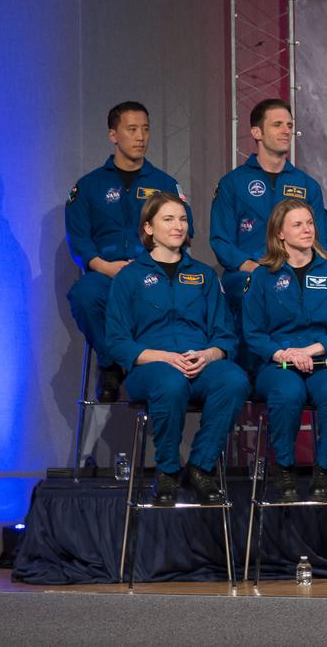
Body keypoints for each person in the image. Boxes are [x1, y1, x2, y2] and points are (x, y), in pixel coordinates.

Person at [105, 192, 249, 505]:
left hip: (199, 363)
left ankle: (200, 466)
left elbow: (225, 336)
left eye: (182, 219)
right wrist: (163, 357)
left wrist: (208, 354)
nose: (178, 226)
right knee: (170, 383)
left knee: (234, 379)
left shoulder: (205, 276)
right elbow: (117, 342)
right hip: (150, 367)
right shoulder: (129, 277)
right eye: (168, 219)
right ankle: (168, 470)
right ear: (148, 228)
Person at [66, 101, 192, 402]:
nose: (141, 137)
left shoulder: (164, 184)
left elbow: (185, 233)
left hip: (153, 273)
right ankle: (113, 364)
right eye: (132, 129)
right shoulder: (89, 186)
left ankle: (145, 365)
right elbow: (79, 239)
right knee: (84, 294)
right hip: (107, 273)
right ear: (113, 135)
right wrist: (105, 267)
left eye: (146, 129)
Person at [243, 199, 327, 502]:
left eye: (309, 223)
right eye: (297, 224)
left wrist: (311, 350)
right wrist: (285, 354)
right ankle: (284, 469)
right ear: (279, 233)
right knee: (287, 394)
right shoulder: (262, 275)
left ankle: (325, 470)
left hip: (321, 358)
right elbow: (253, 333)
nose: (307, 229)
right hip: (277, 363)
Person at [211, 99, 327, 355]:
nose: (286, 130)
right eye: (277, 125)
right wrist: (252, 267)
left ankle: (304, 362)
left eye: (289, 125)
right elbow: (221, 240)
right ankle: (249, 371)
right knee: (253, 287)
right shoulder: (232, 183)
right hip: (249, 271)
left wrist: (295, 268)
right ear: (257, 132)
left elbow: (321, 238)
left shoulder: (307, 185)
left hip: (297, 270)